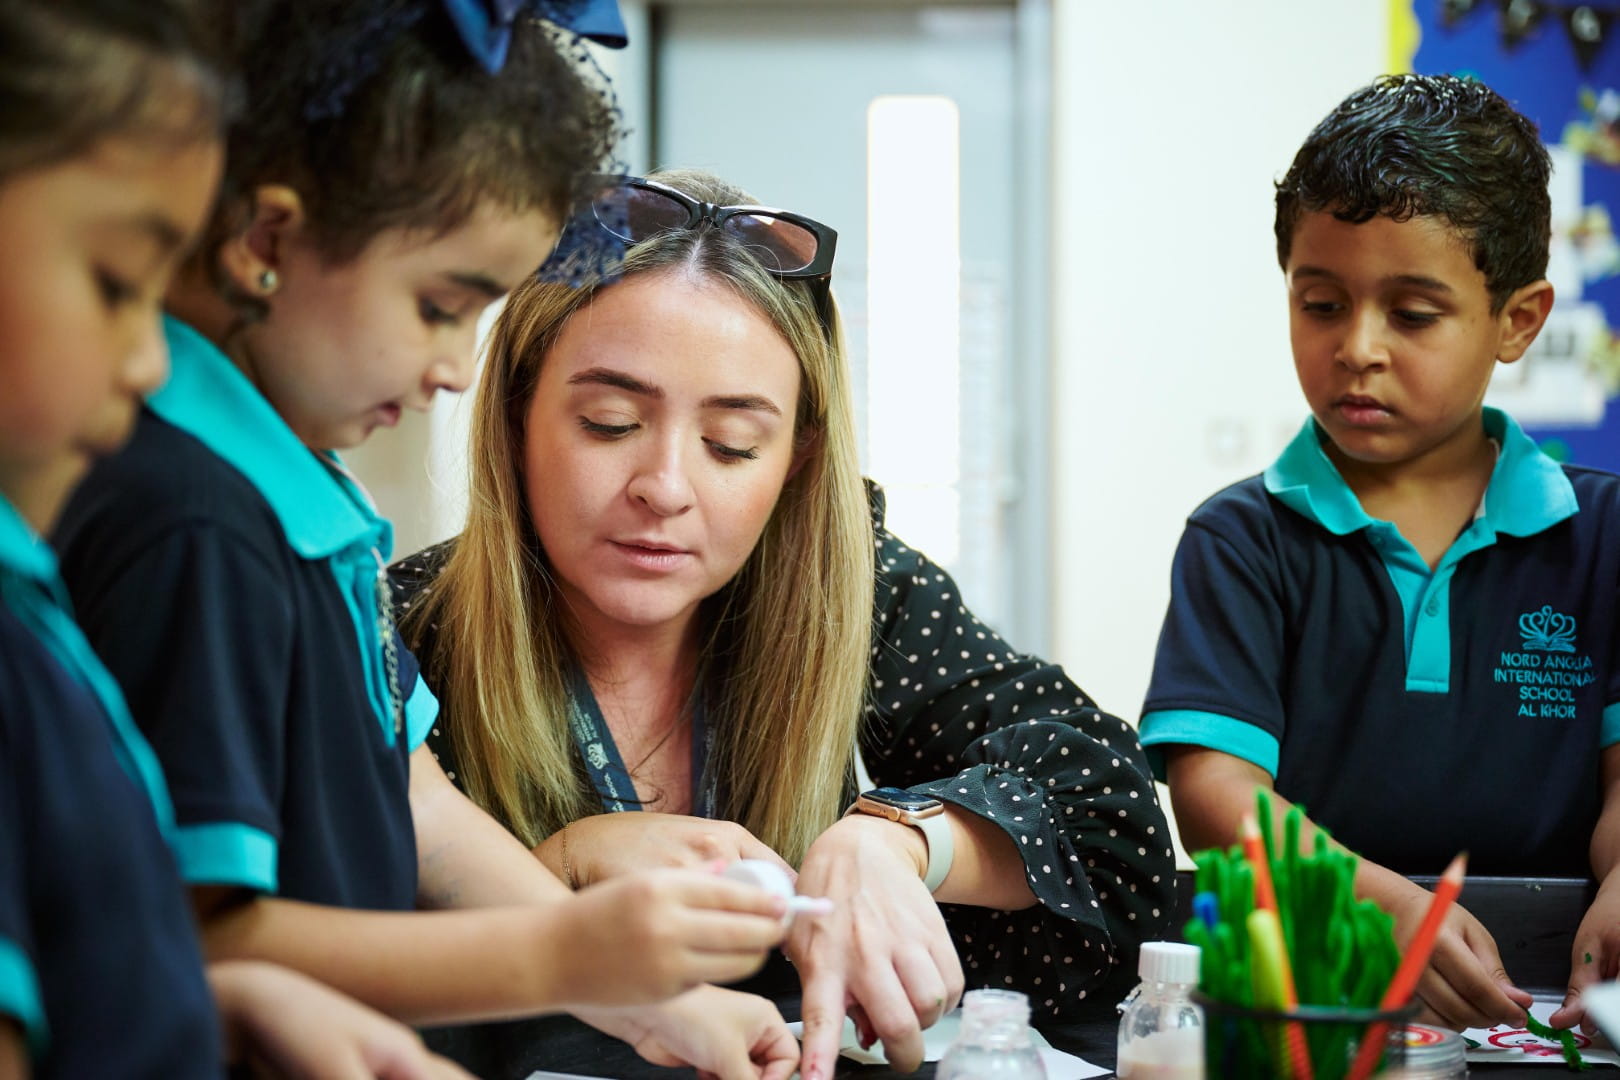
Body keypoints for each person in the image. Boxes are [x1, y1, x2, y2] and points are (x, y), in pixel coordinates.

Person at [51, 6, 796, 1077]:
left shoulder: (309, 501)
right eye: (442, 306)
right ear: (267, 243)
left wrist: (649, 1003)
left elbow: (423, 810)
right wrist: (566, 952)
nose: (454, 368)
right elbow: (197, 941)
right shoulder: (198, 529)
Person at [390, 168, 1177, 1080]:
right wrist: (559, 869)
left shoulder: (855, 590)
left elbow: (1112, 815)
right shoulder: (401, 629)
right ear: (517, 413)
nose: (665, 488)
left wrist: (901, 841)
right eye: (609, 423)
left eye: (732, 445)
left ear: (797, 457)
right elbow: (321, 953)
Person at [0, 2, 477, 1077]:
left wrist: (225, 1007)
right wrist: (575, 955)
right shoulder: (193, 527)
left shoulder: (38, 608)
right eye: (118, 286)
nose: (147, 361)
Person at [1139, 73, 1620, 1034]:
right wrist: (1381, 903)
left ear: (1517, 320)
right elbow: (1215, 793)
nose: (1358, 347)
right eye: (1321, 304)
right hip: (1306, 995)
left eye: (1412, 314)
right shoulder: (1241, 539)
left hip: (1547, 998)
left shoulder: (1602, 535)